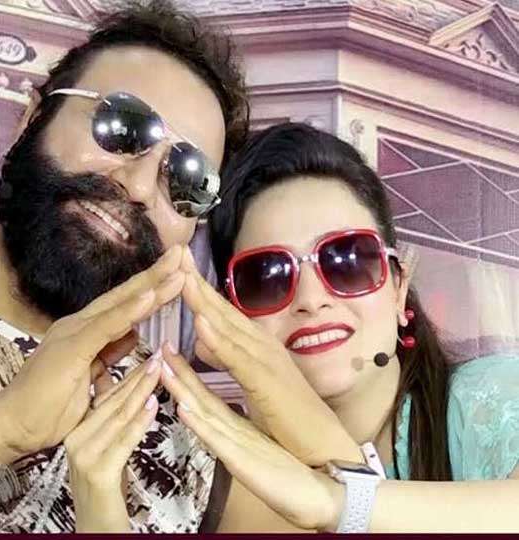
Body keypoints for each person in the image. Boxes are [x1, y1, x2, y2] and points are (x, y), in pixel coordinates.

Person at [0, 1, 251, 533]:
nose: (139, 186)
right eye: (122, 127)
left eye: (188, 178)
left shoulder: (195, 438)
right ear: (32, 120)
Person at [159, 122, 519, 532]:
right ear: (230, 311)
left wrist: (338, 499)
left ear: (398, 290)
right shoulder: (217, 471)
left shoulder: (492, 401)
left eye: (348, 260)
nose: (311, 299)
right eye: (267, 276)